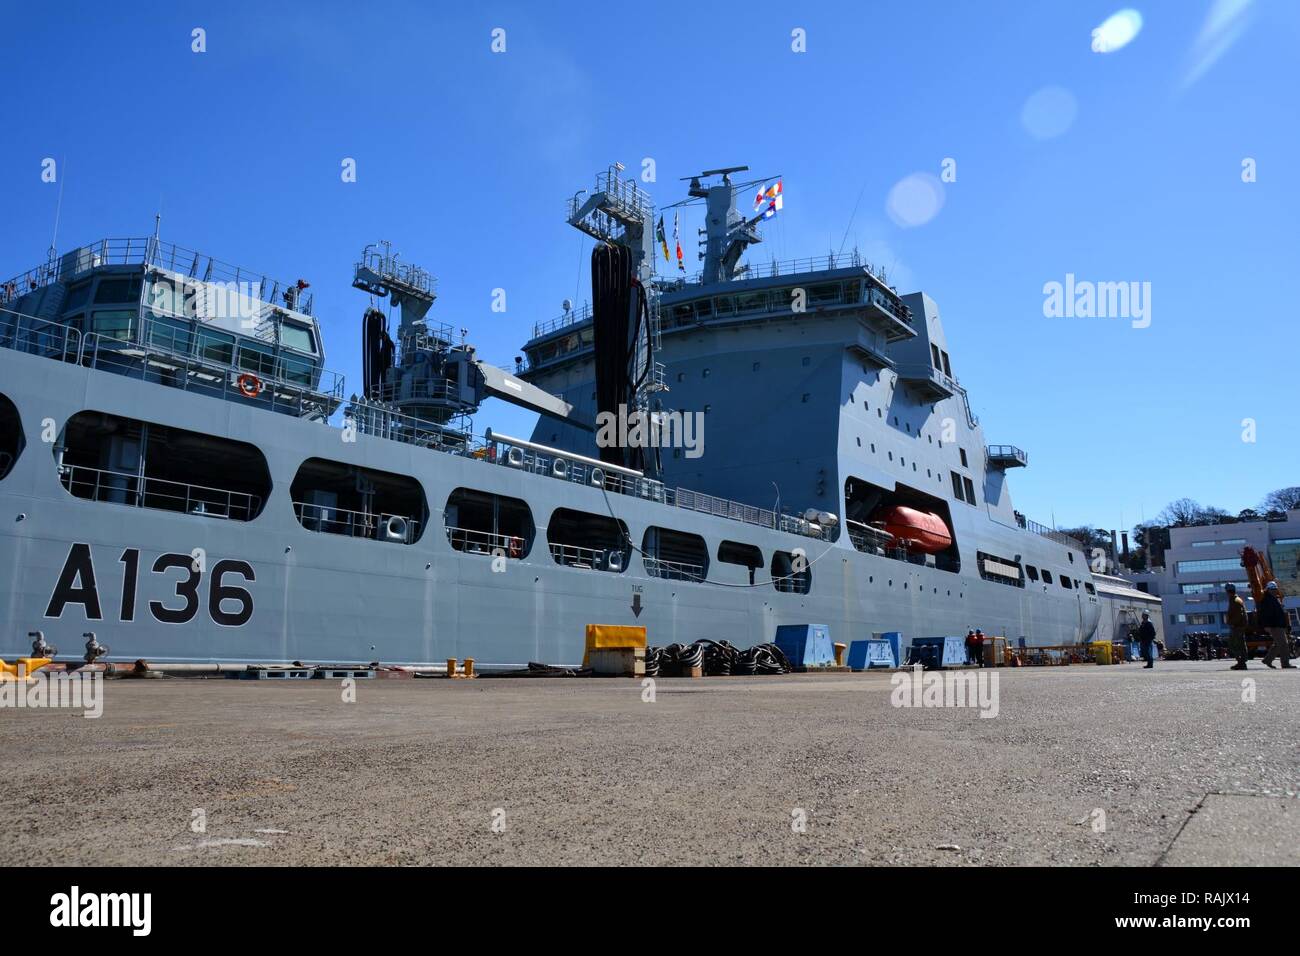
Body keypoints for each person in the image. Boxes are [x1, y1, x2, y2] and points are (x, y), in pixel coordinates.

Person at [1259, 581, 1293, 669]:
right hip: (1274, 626)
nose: (1274, 591)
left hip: (1279, 625)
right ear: (1268, 589)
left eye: (1275, 589)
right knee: (1283, 644)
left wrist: (1285, 625)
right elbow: (1265, 614)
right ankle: (1285, 663)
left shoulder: (1274, 599)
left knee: (1278, 644)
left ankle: (1267, 660)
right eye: (1272, 589)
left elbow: (1279, 613)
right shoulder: (1267, 600)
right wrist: (1266, 625)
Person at [1225, 584, 1249, 670]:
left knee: (1234, 644)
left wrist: (1231, 622)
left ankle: (1241, 662)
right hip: (1239, 626)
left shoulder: (1234, 600)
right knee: (1240, 644)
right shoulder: (1237, 599)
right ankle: (1242, 662)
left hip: (1237, 627)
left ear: (1227, 591)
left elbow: (1239, 615)